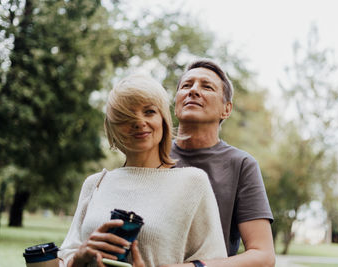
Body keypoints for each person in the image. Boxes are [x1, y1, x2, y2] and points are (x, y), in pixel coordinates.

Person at [59, 74, 227, 267]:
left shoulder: (193, 182)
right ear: (112, 128)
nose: (139, 122)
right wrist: (78, 258)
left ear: (163, 119)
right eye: (125, 117)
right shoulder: (96, 183)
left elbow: (214, 262)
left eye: (149, 112)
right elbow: (65, 256)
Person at [169, 59, 275, 267]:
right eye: (186, 86)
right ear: (176, 104)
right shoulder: (150, 156)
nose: (194, 91)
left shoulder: (242, 165)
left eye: (206, 86)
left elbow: (263, 256)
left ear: (226, 110)